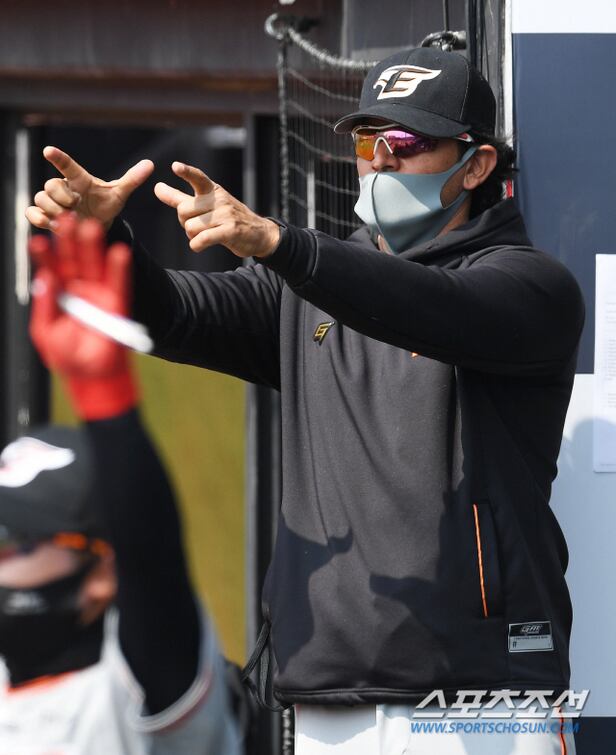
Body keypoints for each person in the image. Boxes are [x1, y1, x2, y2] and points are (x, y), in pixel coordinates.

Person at [26, 46, 584, 754]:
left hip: (483, 705)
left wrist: (280, 244)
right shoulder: (306, 289)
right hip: (328, 706)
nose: (380, 162)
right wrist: (106, 242)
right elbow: (173, 314)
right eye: (366, 143)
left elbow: (430, 305)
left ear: (475, 167)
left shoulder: (531, 287)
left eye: (404, 143)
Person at [0, 215, 242, 754]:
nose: (3, 558)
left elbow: (152, 562)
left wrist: (104, 395)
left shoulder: (141, 686)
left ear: (103, 574)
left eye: (21, 542)